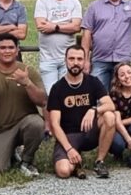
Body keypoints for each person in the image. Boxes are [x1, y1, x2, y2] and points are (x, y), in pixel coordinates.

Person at [0, 33, 46, 176]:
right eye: (3, 48)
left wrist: (27, 83)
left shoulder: (28, 71)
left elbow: (42, 101)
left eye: (11, 47)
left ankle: (26, 161)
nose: (7, 51)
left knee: (37, 123)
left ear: (17, 50)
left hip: (24, 125)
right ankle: (10, 152)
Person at [46, 46, 117, 179]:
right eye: (71, 59)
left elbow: (110, 104)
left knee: (109, 116)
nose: (75, 62)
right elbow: (54, 124)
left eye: (79, 59)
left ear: (85, 61)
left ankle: (99, 162)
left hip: (90, 132)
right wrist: (69, 149)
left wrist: (94, 109)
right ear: (65, 60)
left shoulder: (93, 82)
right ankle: (77, 163)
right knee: (63, 171)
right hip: (69, 136)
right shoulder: (57, 88)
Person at [81, 0, 131, 90]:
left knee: (123, 96)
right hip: (100, 60)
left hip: (122, 60)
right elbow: (86, 35)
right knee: (98, 96)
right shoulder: (94, 7)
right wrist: (85, 60)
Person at [33, 0, 83, 95]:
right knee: (51, 96)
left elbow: (76, 27)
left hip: (68, 59)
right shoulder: (42, 1)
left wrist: (54, 26)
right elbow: (41, 26)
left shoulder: (74, 2)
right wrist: (67, 25)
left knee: (67, 94)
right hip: (48, 59)